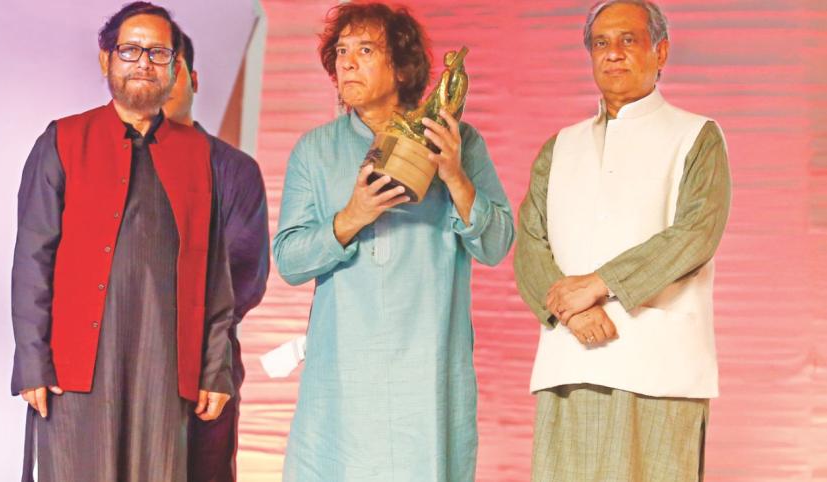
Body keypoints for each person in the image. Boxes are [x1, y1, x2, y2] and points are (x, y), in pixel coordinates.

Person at [272, 3, 514, 480]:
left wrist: (455, 175)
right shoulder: (315, 150)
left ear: (403, 67)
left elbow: (497, 245)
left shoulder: (457, 139)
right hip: (342, 374)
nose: (347, 63)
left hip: (427, 372)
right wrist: (351, 217)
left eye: (365, 50)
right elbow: (289, 260)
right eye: (341, 52)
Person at [11, 3, 235, 480]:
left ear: (176, 67)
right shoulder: (64, 140)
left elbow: (216, 273)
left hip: (165, 369)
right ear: (106, 60)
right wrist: (32, 361)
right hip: (74, 373)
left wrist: (216, 368)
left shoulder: (198, 155)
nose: (144, 63)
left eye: (158, 53)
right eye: (130, 50)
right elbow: (33, 258)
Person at [514, 1, 732, 481]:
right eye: (601, 43)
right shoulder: (560, 146)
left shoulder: (697, 136)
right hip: (570, 361)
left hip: (659, 366)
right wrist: (570, 309)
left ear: (662, 52)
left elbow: (696, 233)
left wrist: (600, 284)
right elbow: (530, 240)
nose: (613, 53)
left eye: (628, 40)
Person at [164, 30, 270, 482]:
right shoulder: (113, 166)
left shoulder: (234, 170)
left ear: (195, 79)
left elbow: (245, 275)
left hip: (206, 359)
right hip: (120, 360)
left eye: (173, 70)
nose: (160, 82)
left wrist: (201, 347)